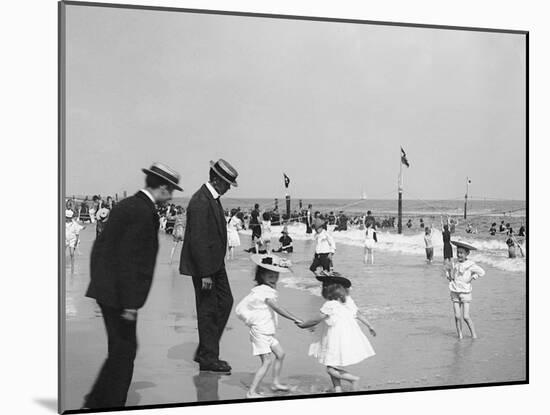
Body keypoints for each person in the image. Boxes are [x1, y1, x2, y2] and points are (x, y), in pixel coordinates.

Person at [84, 162, 182, 409]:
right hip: (120, 297)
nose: (170, 196)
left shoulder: (126, 205)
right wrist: (130, 303)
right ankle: (107, 403)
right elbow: (131, 260)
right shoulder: (143, 212)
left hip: (107, 291)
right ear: (161, 187)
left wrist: (99, 284)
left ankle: (97, 400)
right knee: (124, 351)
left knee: (120, 349)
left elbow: (100, 248)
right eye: (170, 190)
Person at [179, 158, 239, 374]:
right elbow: (198, 239)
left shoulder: (211, 198)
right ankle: (208, 357)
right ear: (216, 180)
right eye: (226, 184)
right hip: (205, 266)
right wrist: (205, 273)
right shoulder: (201, 201)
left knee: (225, 302)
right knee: (207, 310)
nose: (228, 189)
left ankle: (206, 350)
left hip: (215, 263)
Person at [235, 254, 302, 398]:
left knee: (280, 354)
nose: (273, 276)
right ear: (262, 275)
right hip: (261, 333)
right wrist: (295, 318)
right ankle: (251, 392)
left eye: (275, 274)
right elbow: (277, 308)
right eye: (269, 274)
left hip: (267, 332)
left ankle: (275, 382)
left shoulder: (264, 289)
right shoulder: (264, 291)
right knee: (266, 361)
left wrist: (287, 265)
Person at [296, 272, 376, 392]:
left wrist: (304, 325)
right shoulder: (348, 301)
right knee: (332, 365)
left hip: (334, 339)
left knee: (330, 368)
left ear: (327, 290)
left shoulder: (330, 305)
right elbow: (358, 314)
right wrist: (369, 325)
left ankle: (353, 379)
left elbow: (318, 318)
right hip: (346, 337)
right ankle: (337, 390)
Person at [443, 241, 485, 339]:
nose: (459, 254)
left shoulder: (470, 264)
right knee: (457, 316)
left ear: (467, 254)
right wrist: (449, 276)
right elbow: (453, 277)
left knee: (466, 317)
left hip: (465, 293)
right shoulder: (455, 264)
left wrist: (472, 277)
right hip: (454, 291)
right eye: (458, 252)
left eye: (461, 253)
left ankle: (474, 335)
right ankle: (460, 336)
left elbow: (482, 272)